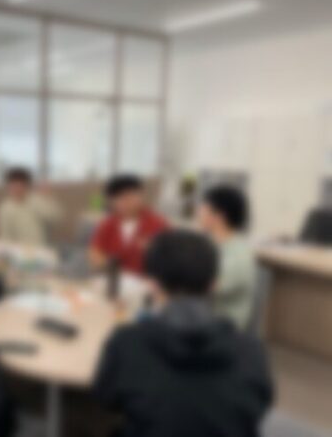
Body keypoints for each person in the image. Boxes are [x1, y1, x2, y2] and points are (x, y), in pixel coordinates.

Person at [94, 230, 274, 437]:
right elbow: (261, 404)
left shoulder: (127, 342)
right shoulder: (252, 350)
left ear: (151, 284)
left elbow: (106, 399)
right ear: (214, 284)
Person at [197, 186, 257, 330]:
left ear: (219, 216)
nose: (198, 213)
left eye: (203, 208)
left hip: (223, 327)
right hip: (203, 319)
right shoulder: (210, 244)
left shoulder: (238, 255)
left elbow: (206, 287)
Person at [89, 175, 168, 274]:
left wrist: (154, 251)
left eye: (130, 196)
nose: (126, 202)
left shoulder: (158, 223)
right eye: (119, 198)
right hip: (114, 276)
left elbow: (171, 258)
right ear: (111, 202)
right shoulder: (107, 224)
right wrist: (105, 262)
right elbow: (95, 252)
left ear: (141, 196)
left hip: (146, 279)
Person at [0, 167, 62, 246]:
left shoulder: (37, 201)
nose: (17, 189)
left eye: (20, 185)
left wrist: (48, 197)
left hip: (40, 247)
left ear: (27, 186)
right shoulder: (5, 208)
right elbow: (6, 235)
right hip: (17, 249)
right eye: (13, 185)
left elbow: (56, 218)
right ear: (8, 187)